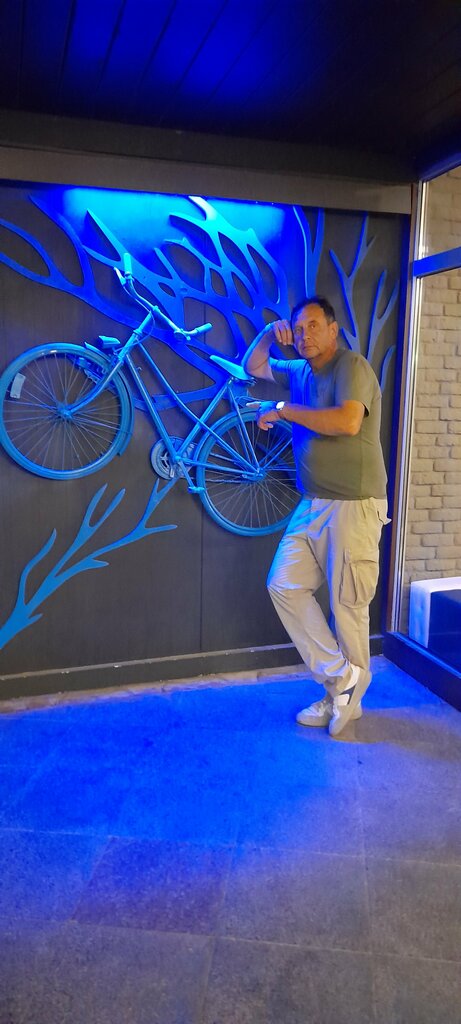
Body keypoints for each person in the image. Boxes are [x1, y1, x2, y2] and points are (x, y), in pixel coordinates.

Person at [242, 296, 390, 737]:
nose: (304, 335)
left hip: (353, 504)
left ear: (332, 329)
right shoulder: (299, 370)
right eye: (298, 328)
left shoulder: (351, 367)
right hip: (312, 503)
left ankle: (344, 698)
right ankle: (342, 682)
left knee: (348, 607)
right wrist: (268, 335)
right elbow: (254, 366)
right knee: (284, 585)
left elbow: (348, 422)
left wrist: (283, 410)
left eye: (312, 326)